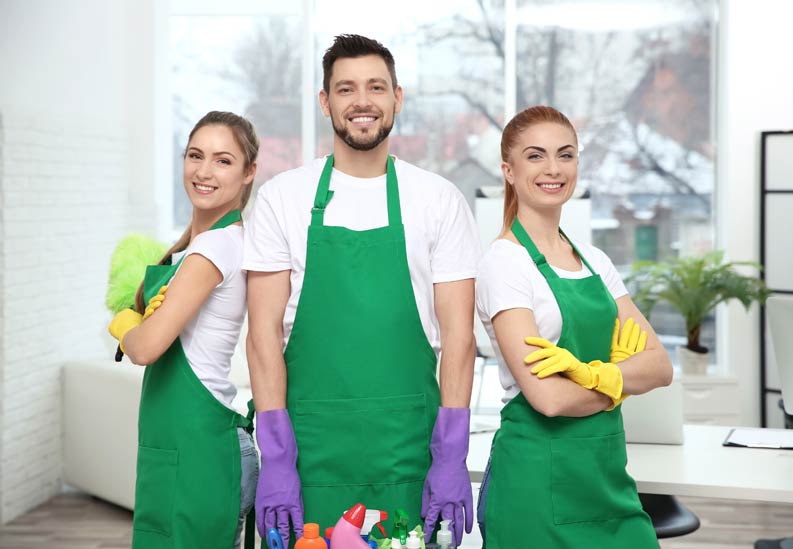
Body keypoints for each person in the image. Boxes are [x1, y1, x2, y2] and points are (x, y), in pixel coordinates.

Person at [244, 34, 480, 548]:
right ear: (326, 102)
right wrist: (278, 458)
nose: (363, 101)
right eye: (346, 89)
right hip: (309, 455)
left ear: (398, 97)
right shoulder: (282, 199)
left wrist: (450, 456)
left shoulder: (438, 200)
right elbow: (262, 336)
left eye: (376, 87)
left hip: (409, 453)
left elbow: (460, 339)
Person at [475, 105, 673, 548]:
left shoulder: (594, 261)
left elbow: (660, 366)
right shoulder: (504, 263)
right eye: (535, 156)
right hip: (536, 484)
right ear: (508, 170)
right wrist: (620, 380)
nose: (553, 168)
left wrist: (593, 376)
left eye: (565, 155)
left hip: (606, 478)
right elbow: (547, 398)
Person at [108, 111, 260, 549]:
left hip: (197, 451)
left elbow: (147, 348)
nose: (204, 171)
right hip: (183, 445)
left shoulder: (214, 246)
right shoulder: (197, 244)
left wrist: (125, 323)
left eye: (223, 160)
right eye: (195, 155)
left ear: (249, 172)